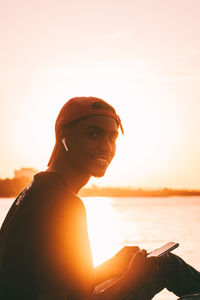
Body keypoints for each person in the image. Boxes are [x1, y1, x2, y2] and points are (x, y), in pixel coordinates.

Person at [0, 96, 200, 300]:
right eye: (93, 134)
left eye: (112, 138)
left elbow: (65, 284)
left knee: (163, 264)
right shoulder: (62, 204)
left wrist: (111, 266)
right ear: (63, 137)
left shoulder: (37, 190)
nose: (106, 146)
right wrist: (131, 278)